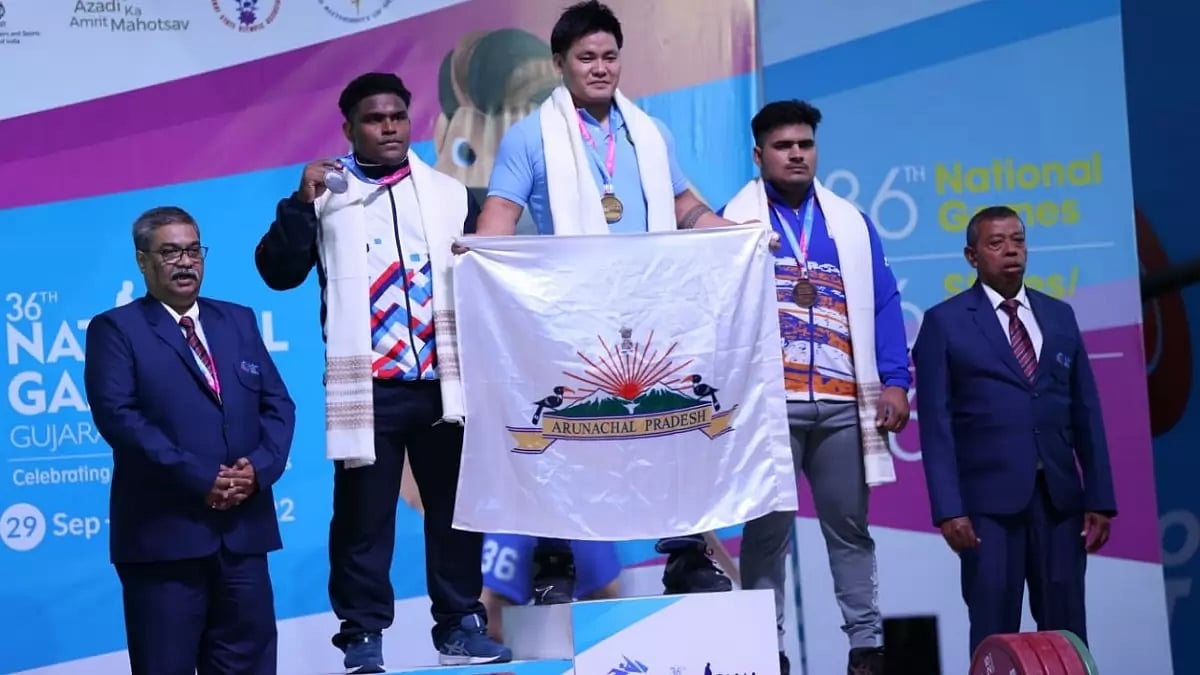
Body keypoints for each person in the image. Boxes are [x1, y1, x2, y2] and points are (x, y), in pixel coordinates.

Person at [465, 0, 738, 603]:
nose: (600, 68)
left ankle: (687, 556)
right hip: (572, 315)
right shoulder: (530, 136)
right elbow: (500, 217)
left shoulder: (649, 132)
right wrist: (478, 266)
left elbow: (686, 207)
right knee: (569, 437)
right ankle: (555, 562)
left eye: (610, 56)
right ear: (559, 63)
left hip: (653, 310)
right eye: (586, 57)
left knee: (675, 428)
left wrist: (736, 234)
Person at [255, 73, 510, 673]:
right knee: (363, 522)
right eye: (374, 119)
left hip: (445, 383)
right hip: (368, 388)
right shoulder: (326, 194)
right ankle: (362, 634)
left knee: (454, 512)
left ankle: (458, 625)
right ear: (348, 129)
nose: (390, 126)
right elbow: (277, 271)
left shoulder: (450, 193)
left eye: (397, 116)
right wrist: (299, 206)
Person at [719, 100, 912, 675]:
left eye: (805, 144)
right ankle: (765, 650)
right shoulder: (733, 224)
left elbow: (884, 302)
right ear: (759, 156)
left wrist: (897, 381)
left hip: (840, 406)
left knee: (850, 531)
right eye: (784, 146)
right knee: (765, 537)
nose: (797, 154)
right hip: (768, 410)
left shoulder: (848, 223)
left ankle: (866, 649)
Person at [84, 206, 296, 675]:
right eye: (170, 252)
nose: (185, 262)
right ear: (142, 261)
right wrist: (203, 478)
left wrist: (257, 471)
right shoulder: (116, 330)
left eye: (193, 250)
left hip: (243, 536)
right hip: (163, 539)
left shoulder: (236, 321)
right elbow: (120, 418)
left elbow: (279, 406)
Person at [912, 205, 1117, 659]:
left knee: (1067, 633)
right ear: (972, 256)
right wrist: (949, 510)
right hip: (986, 508)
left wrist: (1099, 497)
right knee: (993, 631)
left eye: (1018, 240)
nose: (1011, 251)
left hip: (1060, 500)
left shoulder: (1060, 316)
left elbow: (1086, 410)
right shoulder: (945, 322)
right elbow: (937, 426)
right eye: (996, 243)